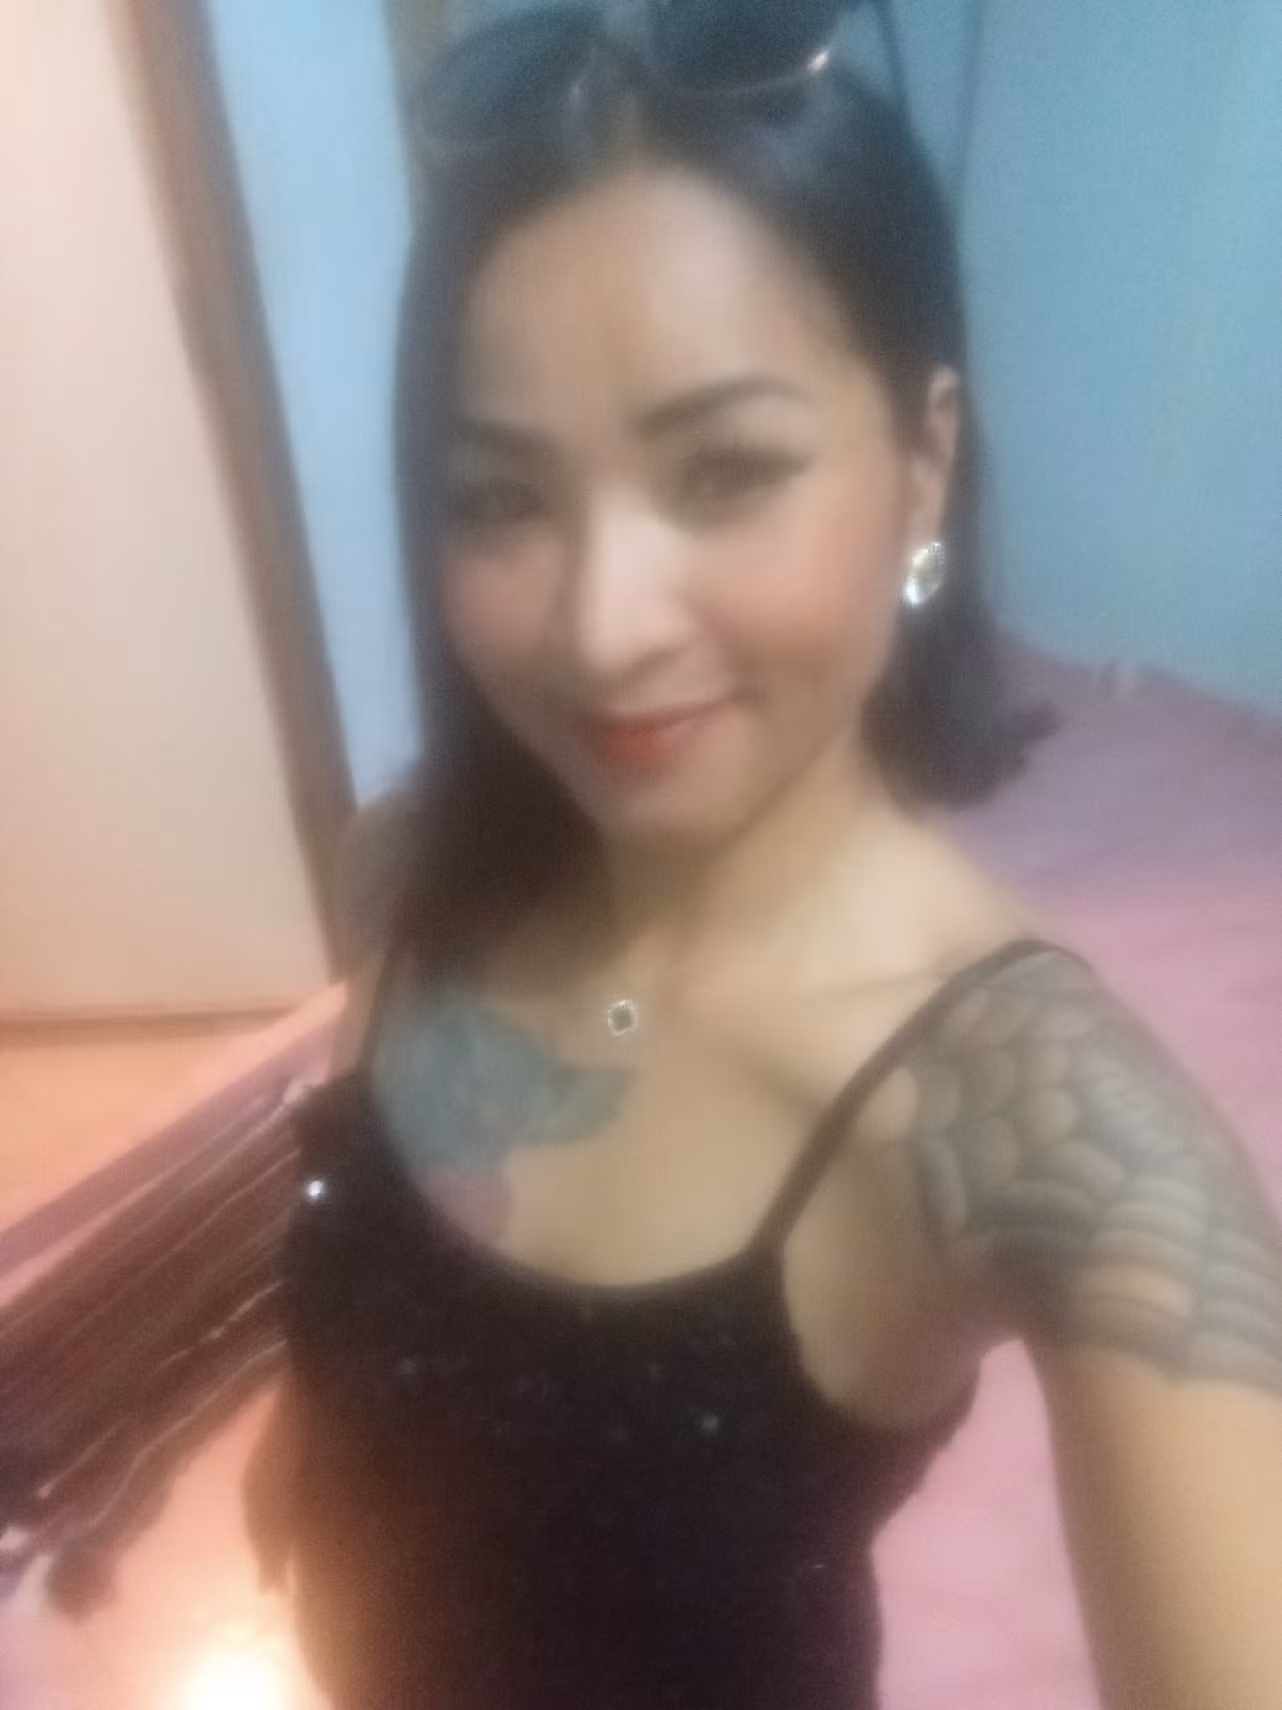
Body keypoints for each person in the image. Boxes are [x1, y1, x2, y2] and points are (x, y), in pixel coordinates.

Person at [245, 4, 1282, 1705]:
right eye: (501, 498)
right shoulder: (420, 870)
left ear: (923, 466)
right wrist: (308, 1444)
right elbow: (379, 1329)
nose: (603, 626)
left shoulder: (1052, 1139)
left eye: (724, 472)